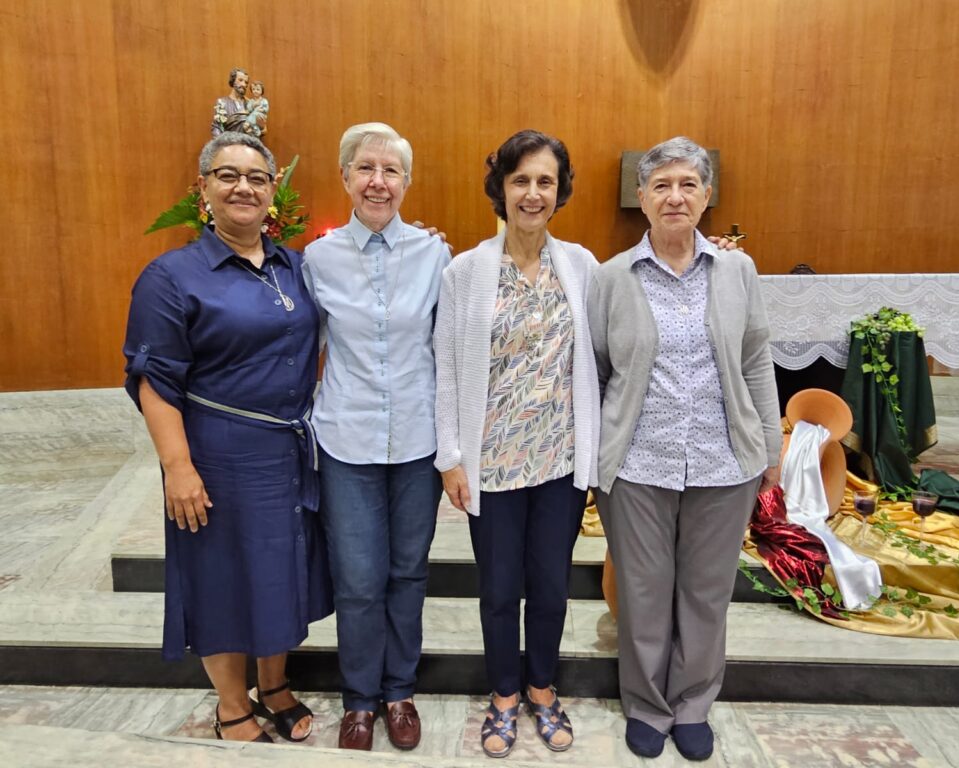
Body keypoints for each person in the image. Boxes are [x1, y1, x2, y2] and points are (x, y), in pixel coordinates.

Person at [123, 131, 333, 744]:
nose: (243, 187)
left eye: (257, 177)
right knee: (222, 576)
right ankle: (232, 705)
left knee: (279, 570)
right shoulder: (171, 276)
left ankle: (274, 684)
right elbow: (154, 380)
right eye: (227, 175)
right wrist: (177, 467)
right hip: (217, 453)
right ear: (204, 189)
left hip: (287, 451)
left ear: (272, 192)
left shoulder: (295, 266)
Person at [588, 136, 782, 761]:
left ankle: (693, 704)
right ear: (641, 197)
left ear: (706, 196)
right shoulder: (612, 278)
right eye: (662, 186)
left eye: (688, 185)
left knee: (706, 593)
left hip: (724, 463)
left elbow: (755, 359)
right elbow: (595, 371)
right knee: (643, 592)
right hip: (638, 463)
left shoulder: (737, 272)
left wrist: (770, 448)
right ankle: (647, 705)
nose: (675, 197)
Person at [433, 130, 600, 759]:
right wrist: (450, 457)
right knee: (500, 590)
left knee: (551, 587)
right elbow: (447, 369)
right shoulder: (465, 271)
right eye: (521, 180)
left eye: (545, 181)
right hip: (493, 465)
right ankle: (504, 695)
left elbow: (598, 361)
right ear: (500, 188)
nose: (533, 193)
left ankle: (542, 688)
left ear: (560, 191)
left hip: (559, 460)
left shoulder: (581, 266)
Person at [301, 122, 450, 752]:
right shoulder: (318, 259)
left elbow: (448, 348)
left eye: (391, 171)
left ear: (407, 182)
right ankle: (360, 700)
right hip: (347, 439)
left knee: (408, 573)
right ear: (345, 177)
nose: (378, 182)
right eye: (366, 168)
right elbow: (303, 348)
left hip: (417, 439)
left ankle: (399, 692)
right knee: (359, 579)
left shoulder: (436, 255)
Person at [211, 68, 252, 137]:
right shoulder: (222, 103)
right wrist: (222, 141)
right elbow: (217, 127)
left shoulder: (250, 104)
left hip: (246, 142)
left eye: (246, 82)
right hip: (229, 142)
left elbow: (259, 129)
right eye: (240, 80)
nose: (244, 84)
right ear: (233, 81)